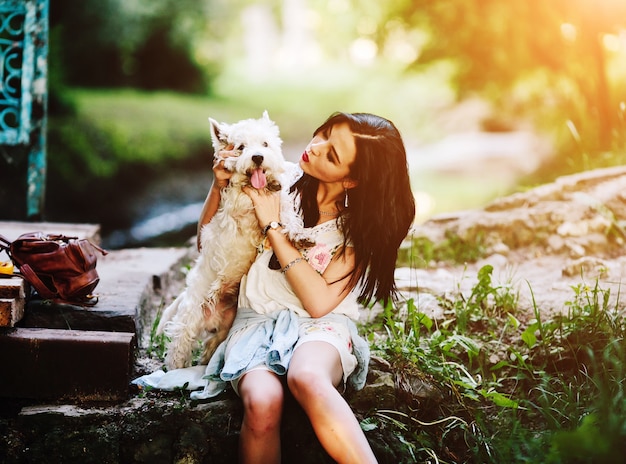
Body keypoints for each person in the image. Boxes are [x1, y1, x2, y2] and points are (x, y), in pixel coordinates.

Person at [198, 112, 415, 463]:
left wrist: (272, 227)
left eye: (332, 155)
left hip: (321, 326)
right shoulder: (272, 175)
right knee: (262, 401)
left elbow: (318, 302)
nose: (315, 148)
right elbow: (206, 243)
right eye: (324, 134)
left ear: (352, 181)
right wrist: (220, 186)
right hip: (256, 320)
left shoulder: (355, 229)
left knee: (308, 377)